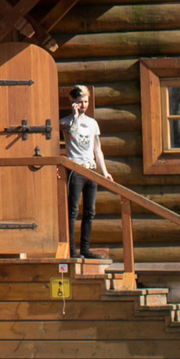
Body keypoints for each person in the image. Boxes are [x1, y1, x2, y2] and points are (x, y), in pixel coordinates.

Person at [61, 84, 109, 263]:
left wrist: (104, 172)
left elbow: (97, 149)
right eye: (79, 102)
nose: (83, 105)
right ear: (73, 103)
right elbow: (72, 136)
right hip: (76, 169)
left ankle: (85, 248)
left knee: (90, 211)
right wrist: (74, 116)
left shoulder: (92, 123)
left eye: (85, 102)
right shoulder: (66, 122)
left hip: (91, 170)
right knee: (73, 210)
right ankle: (72, 249)